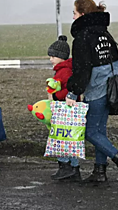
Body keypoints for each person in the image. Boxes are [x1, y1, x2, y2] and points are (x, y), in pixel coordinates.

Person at [65, 0, 118, 187]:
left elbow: (82, 70)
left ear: (82, 14)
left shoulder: (82, 37)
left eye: (74, 13)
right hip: (111, 89)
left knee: (90, 132)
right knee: (100, 131)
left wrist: (73, 93)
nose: (72, 17)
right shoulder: (104, 34)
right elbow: (115, 62)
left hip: (96, 91)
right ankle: (99, 171)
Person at [45, 35, 80, 182]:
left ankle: (65, 166)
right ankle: (74, 168)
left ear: (61, 57)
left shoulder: (64, 71)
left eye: (53, 56)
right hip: (71, 109)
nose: (51, 59)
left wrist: (54, 95)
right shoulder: (65, 69)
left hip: (64, 109)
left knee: (61, 138)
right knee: (71, 140)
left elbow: (67, 90)